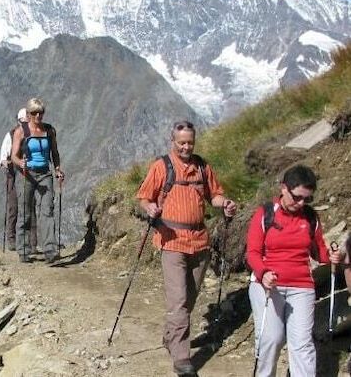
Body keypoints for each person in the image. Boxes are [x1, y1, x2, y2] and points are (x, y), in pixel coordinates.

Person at [136, 120, 236, 376]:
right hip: (171, 241)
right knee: (179, 301)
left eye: (190, 142)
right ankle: (182, 358)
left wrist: (224, 204)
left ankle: (171, 335)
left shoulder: (202, 166)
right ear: (173, 142)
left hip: (199, 241)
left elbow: (214, 194)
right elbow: (144, 197)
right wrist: (150, 208)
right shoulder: (161, 166)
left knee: (189, 299)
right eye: (181, 142)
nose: (186, 147)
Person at [245, 164, 342, 377]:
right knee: (271, 339)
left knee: (302, 343)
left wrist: (333, 256)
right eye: (297, 197)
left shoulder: (310, 218)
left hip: (302, 287)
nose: (301, 203)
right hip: (267, 286)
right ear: (284, 188)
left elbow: (318, 252)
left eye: (307, 199)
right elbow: (252, 252)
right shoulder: (265, 213)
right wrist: (264, 273)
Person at [11, 98, 64, 264]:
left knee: (47, 211)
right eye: (34, 113)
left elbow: (54, 152)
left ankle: (50, 250)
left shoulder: (49, 131)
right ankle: (24, 251)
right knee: (25, 212)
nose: (38, 115)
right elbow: (14, 155)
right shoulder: (21, 131)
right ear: (28, 114)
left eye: (41, 112)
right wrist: (20, 163)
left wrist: (57, 169)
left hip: (45, 175)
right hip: (26, 175)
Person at [0, 108, 37, 251]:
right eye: (26, 120)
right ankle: (12, 240)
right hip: (14, 174)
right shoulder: (11, 134)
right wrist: (5, 162)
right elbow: (3, 154)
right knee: (13, 207)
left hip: (29, 174)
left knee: (30, 207)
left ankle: (32, 243)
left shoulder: (34, 134)